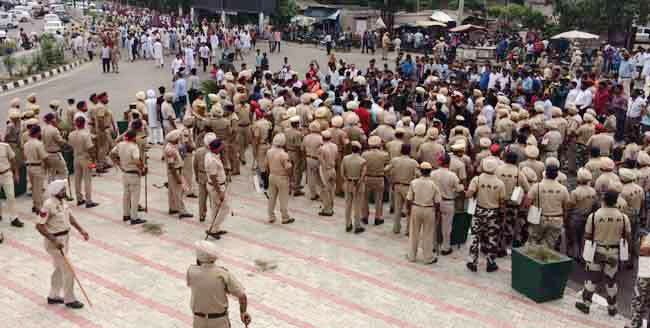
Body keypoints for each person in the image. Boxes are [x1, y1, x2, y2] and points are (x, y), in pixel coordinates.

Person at [35, 179, 89, 309]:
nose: (65, 191)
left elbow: (69, 217)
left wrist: (81, 230)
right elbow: (39, 226)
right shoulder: (48, 205)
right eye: (62, 190)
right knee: (69, 270)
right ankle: (69, 299)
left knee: (59, 269)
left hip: (65, 239)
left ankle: (53, 296)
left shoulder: (63, 202)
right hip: (55, 243)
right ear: (56, 191)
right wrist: (54, 240)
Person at [575, 190, 631, 316]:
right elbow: (627, 238)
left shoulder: (594, 216)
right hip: (614, 253)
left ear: (604, 200)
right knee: (611, 281)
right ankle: (612, 307)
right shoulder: (623, 217)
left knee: (591, 279)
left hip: (597, 252)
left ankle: (586, 305)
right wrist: (626, 256)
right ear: (616, 201)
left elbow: (587, 236)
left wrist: (586, 254)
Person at [187, 240, 251, 328]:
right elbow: (242, 296)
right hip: (219, 322)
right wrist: (243, 312)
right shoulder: (223, 274)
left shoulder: (191, 271)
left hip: (198, 321)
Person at [465, 157, 506, 273]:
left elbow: (469, 194)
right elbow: (502, 202)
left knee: (475, 237)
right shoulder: (500, 183)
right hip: (493, 213)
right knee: (492, 238)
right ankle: (490, 263)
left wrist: (467, 192)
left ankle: (472, 262)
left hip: (478, 212)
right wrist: (502, 215)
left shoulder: (476, 179)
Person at [406, 161, 442, 264]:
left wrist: (408, 210)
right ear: (430, 172)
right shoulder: (433, 185)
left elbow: (409, 199)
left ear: (421, 171)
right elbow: (437, 202)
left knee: (414, 233)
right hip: (429, 210)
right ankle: (428, 258)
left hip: (416, 208)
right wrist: (437, 213)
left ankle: (412, 256)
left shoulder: (414, 182)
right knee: (428, 234)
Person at [526, 164, 570, 249]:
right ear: (557, 175)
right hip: (556, 219)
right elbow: (566, 207)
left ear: (545, 173)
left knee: (533, 242)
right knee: (549, 245)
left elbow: (527, 203)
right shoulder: (563, 189)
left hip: (538, 218)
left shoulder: (537, 186)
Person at [109, 130, 146, 225]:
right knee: (134, 197)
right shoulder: (134, 147)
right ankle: (134, 217)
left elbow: (111, 154)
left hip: (125, 173)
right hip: (133, 174)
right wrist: (142, 168)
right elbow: (136, 160)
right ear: (133, 138)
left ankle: (126, 215)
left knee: (126, 195)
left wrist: (119, 164)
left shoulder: (120, 144)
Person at [431, 153, 464, 255]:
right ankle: (445, 247)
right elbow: (459, 189)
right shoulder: (452, 175)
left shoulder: (433, 174)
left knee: (434, 225)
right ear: (448, 163)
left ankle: (433, 245)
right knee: (446, 227)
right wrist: (462, 188)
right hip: (448, 202)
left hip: (435, 202)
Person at [385, 144, 419, 235]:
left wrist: (390, 180)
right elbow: (418, 175)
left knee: (397, 208)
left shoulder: (395, 160)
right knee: (409, 210)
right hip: (408, 187)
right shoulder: (413, 162)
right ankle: (408, 230)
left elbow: (386, 170)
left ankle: (396, 228)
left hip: (397, 186)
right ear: (410, 151)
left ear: (401, 150)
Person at [68, 114, 98, 208]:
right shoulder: (86, 134)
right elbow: (90, 148)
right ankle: (88, 201)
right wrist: (94, 160)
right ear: (84, 123)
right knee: (87, 180)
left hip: (76, 157)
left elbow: (70, 146)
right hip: (85, 158)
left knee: (77, 179)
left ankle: (79, 199)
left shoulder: (71, 134)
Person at [265, 133, 294, 224]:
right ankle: (285, 217)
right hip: (282, 178)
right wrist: (290, 178)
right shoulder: (284, 154)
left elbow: (266, 165)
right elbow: (288, 168)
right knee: (283, 199)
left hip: (272, 176)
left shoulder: (269, 151)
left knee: (271, 197)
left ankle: (271, 216)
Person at [164, 130, 193, 219]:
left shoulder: (172, 146)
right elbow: (171, 165)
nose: (180, 138)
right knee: (178, 192)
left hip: (175, 171)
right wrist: (177, 177)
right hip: (175, 172)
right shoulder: (170, 149)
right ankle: (182, 211)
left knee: (172, 192)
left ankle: (173, 208)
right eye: (178, 137)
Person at [204, 139, 230, 240]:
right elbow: (214, 178)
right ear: (217, 148)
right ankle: (213, 229)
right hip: (216, 187)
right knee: (225, 208)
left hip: (216, 185)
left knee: (215, 209)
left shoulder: (211, 154)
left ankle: (215, 228)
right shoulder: (212, 161)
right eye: (221, 146)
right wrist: (220, 193)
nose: (222, 147)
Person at [340, 141, 366, 234]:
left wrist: (347, 180)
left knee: (348, 205)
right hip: (357, 184)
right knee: (357, 206)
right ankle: (357, 225)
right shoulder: (362, 161)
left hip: (348, 183)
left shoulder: (345, 158)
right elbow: (363, 175)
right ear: (359, 150)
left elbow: (342, 173)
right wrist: (357, 183)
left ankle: (348, 224)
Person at [24, 125, 48, 213]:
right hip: (38, 167)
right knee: (38, 188)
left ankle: (34, 205)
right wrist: (47, 166)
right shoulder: (39, 143)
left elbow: (25, 156)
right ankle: (39, 207)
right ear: (37, 133)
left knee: (33, 188)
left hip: (29, 166)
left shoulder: (26, 144)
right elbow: (44, 157)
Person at [0, 135, 22, 228]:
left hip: (6, 173)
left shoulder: (5, 146)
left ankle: (14, 218)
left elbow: (13, 160)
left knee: (11, 196)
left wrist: (16, 173)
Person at [42, 113, 68, 181]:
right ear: (52, 119)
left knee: (51, 174)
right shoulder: (54, 129)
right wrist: (65, 140)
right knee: (64, 172)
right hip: (55, 154)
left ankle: (51, 189)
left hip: (47, 153)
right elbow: (60, 142)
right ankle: (62, 189)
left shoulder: (43, 129)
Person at [318, 130, 338, 216]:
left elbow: (321, 161)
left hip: (325, 170)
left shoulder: (321, 148)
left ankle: (327, 209)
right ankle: (331, 207)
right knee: (332, 189)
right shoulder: (335, 146)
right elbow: (336, 157)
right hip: (333, 169)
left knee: (326, 189)